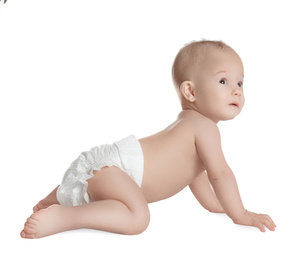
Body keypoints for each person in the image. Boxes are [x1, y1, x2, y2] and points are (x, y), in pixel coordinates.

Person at [21, 40, 276, 239]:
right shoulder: (205, 128)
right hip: (113, 172)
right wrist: (240, 214)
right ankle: (64, 217)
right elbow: (220, 173)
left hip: (105, 169)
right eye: (224, 80)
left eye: (241, 83)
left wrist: (217, 205)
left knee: (120, 202)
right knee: (137, 217)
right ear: (191, 91)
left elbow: (197, 177)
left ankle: (53, 199)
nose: (237, 90)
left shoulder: (190, 128)